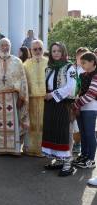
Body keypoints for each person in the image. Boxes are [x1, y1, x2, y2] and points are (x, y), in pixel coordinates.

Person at [0, 38, 29, 155]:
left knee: (13, 123)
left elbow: (23, 81)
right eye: (2, 45)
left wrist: (21, 97)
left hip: (13, 98)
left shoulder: (17, 61)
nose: (5, 47)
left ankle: (14, 149)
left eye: (7, 45)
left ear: (10, 46)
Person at [42, 42, 76, 177]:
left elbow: (71, 87)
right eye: (53, 51)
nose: (56, 53)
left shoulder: (70, 67)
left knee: (64, 132)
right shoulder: (49, 68)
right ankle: (58, 160)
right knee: (52, 130)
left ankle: (68, 164)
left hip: (63, 104)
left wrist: (52, 94)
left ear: (63, 52)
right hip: (50, 104)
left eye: (58, 51)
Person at [23, 40, 48, 157]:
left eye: (40, 49)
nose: (37, 51)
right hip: (31, 99)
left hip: (46, 99)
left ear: (43, 49)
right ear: (30, 50)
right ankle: (30, 148)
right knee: (31, 124)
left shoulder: (49, 63)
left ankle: (45, 149)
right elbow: (23, 82)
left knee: (45, 124)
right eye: (35, 49)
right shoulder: (25, 64)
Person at [72, 52, 97, 169]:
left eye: (84, 63)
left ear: (92, 62)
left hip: (90, 108)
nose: (81, 65)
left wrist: (76, 104)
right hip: (81, 108)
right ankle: (84, 155)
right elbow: (78, 90)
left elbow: (91, 94)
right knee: (83, 133)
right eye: (80, 63)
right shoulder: (83, 75)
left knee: (89, 133)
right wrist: (77, 104)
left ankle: (91, 159)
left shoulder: (95, 75)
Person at [71, 47, 89, 154]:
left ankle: (83, 146)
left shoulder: (88, 70)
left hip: (85, 101)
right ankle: (77, 144)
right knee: (75, 124)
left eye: (84, 56)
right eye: (79, 56)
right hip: (73, 100)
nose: (81, 58)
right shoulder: (72, 68)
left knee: (84, 125)